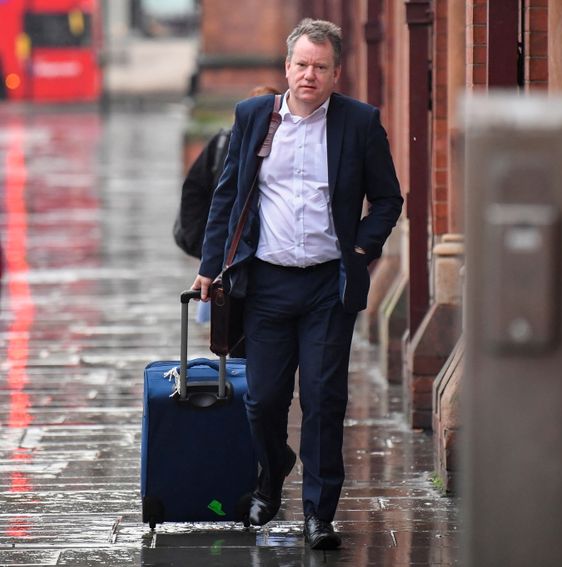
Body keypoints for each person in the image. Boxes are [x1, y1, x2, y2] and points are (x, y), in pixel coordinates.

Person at [191, 19, 403, 550]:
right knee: (262, 402)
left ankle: (318, 512)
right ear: (287, 68)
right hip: (265, 284)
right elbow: (227, 197)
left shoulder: (359, 122)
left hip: (327, 287)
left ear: (337, 73)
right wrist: (210, 265)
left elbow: (388, 200)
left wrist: (359, 250)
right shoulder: (254, 117)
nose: (310, 75)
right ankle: (271, 472)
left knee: (324, 400)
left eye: (321, 67)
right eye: (302, 64)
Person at [174, 86, 280, 328]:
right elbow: (197, 192)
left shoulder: (283, 144)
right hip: (226, 257)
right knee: (226, 334)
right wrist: (206, 249)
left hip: (267, 260)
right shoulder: (224, 142)